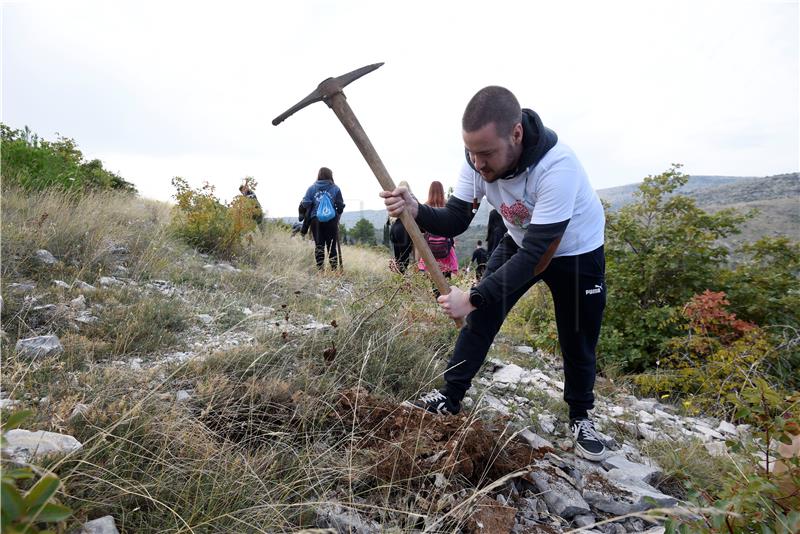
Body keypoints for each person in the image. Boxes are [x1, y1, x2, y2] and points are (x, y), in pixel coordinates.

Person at [380, 86, 607, 462]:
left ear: (515, 134)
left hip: (575, 252)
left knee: (578, 335)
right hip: (521, 240)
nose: (478, 164)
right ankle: (449, 397)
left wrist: (470, 296)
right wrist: (415, 208)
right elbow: (454, 219)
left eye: (486, 154)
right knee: (481, 317)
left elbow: (539, 255)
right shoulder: (475, 160)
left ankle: (582, 417)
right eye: (471, 153)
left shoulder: (556, 167)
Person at [301, 167, 345, 270]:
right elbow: (340, 205)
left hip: (315, 220)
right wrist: (337, 216)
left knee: (319, 246)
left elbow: (305, 203)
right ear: (330, 175)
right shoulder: (335, 188)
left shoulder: (312, 188)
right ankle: (334, 270)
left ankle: (320, 270)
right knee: (331, 246)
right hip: (331, 219)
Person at [416, 181, 458, 280]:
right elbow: (453, 226)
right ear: (442, 191)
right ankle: (446, 293)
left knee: (433, 277)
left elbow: (421, 228)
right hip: (445, 245)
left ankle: (436, 294)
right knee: (446, 277)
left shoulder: (425, 206)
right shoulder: (447, 204)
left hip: (430, 246)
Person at [388, 181, 414, 273]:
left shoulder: (394, 199)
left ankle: (398, 276)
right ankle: (403, 278)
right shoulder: (411, 199)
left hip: (394, 228)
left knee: (397, 256)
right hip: (404, 228)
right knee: (405, 256)